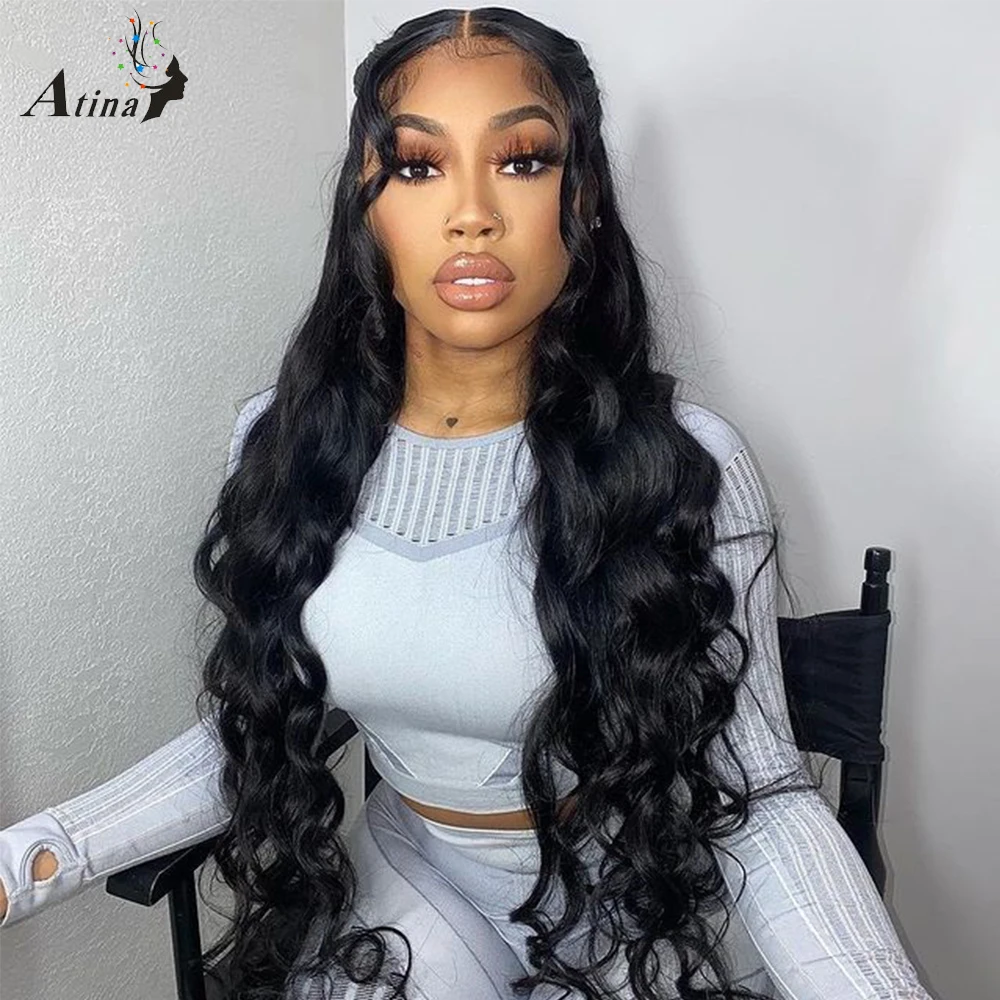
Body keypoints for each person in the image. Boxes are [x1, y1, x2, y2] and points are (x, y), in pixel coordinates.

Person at [0, 8, 936, 1000]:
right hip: (420, 881)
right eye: (417, 166)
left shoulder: (685, 464)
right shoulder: (286, 444)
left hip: (632, 895)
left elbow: (763, 793)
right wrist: (30, 860)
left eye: (523, 160)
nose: (471, 213)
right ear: (366, 207)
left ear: (582, 198)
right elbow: (259, 730)